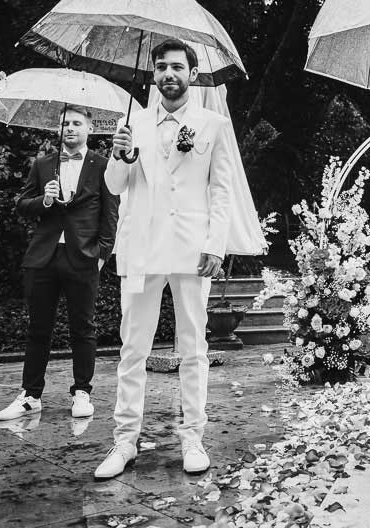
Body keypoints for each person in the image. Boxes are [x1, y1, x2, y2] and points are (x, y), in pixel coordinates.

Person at [94, 39, 239, 479]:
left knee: (193, 347)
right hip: (142, 247)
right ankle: (124, 442)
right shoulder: (132, 123)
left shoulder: (212, 125)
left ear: (192, 75)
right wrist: (119, 155)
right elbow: (115, 187)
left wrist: (216, 244)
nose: (168, 74)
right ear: (153, 74)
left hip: (192, 249)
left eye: (177, 67)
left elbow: (221, 188)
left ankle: (193, 437)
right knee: (132, 348)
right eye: (161, 67)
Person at [0, 105, 118, 421]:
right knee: (38, 328)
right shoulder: (43, 164)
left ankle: (82, 393)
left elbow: (110, 215)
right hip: (43, 257)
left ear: (90, 129)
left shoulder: (105, 166)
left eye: (77, 123)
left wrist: (102, 254)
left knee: (83, 328)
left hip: (84, 257)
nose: (70, 128)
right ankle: (30, 395)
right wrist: (45, 200)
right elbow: (22, 205)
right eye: (65, 123)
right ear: (58, 130)